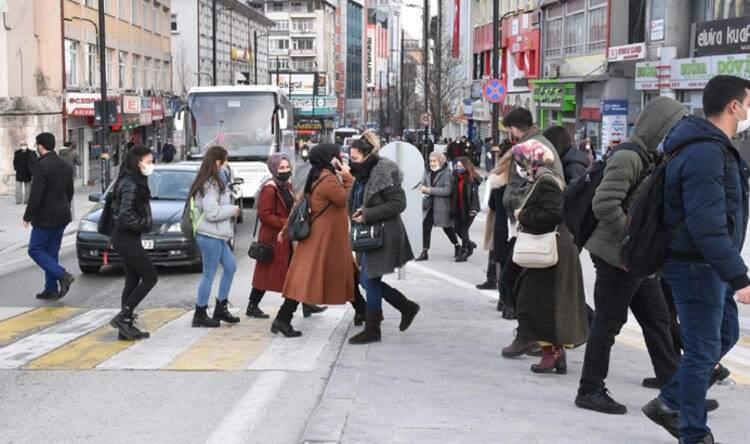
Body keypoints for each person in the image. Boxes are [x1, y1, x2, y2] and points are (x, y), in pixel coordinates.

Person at [643, 75, 750, 444]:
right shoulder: (705, 151)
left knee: (725, 334)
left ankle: (670, 400)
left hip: (709, 263)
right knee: (702, 350)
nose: (749, 110)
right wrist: (740, 277)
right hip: (695, 264)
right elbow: (706, 224)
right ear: (733, 106)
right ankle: (693, 432)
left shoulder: (713, 146)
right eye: (748, 102)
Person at [575, 97, 686, 415]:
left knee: (658, 320)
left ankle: (674, 392)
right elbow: (604, 203)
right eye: (673, 126)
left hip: (634, 257)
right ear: (660, 127)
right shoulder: (629, 156)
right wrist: (632, 240)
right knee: (608, 323)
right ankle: (590, 389)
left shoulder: (651, 157)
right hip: (616, 256)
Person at [510, 140, 588, 374]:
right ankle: (553, 352)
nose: (520, 166)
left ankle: (551, 353)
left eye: (521, 161)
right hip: (554, 248)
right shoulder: (545, 178)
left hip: (552, 250)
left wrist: (523, 215)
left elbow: (552, 213)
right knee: (541, 301)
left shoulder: (546, 181)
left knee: (533, 301)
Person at [499, 108, 565, 356]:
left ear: (516, 127)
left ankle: (533, 337)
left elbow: (535, 194)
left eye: (510, 130)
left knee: (516, 284)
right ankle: (534, 337)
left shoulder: (532, 152)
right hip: (531, 230)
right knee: (525, 286)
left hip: (535, 233)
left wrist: (517, 208)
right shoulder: (537, 147)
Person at [272, 144, 355, 337]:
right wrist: (349, 178)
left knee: (344, 273)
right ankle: (282, 320)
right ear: (330, 158)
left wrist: (285, 230)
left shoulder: (316, 176)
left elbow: (297, 204)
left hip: (322, 239)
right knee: (302, 282)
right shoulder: (328, 180)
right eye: (337, 156)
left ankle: (363, 310)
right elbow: (343, 199)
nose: (340, 159)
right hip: (322, 241)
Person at [347, 132, 420, 344]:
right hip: (367, 236)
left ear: (368, 155)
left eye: (355, 158)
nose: (352, 162)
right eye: (350, 157)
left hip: (384, 235)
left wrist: (367, 214)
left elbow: (398, 204)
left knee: (369, 280)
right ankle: (406, 306)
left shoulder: (384, 174)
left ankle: (373, 329)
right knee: (366, 280)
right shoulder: (361, 175)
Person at [187, 146, 241, 328]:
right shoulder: (210, 184)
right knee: (209, 275)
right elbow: (212, 212)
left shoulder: (215, 180)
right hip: (209, 234)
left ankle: (221, 307)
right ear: (218, 162)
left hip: (217, 234)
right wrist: (233, 210)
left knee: (231, 267)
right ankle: (200, 313)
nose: (227, 164)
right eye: (226, 160)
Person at [108, 145, 158, 340]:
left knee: (132, 279)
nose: (151, 165)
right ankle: (124, 316)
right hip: (125, 237)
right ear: (138, 163)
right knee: (150, 277)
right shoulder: (130, 183)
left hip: (126, 236)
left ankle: (125, 328)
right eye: (149, 162)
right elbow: (125, 215)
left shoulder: (133, 180)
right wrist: (144, 224)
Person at [23, 133, 75, 301]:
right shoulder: (65, 165)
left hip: (46, 218)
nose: (36, 147)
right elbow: (70, 192)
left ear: (41, 146)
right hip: (62, 215)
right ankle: (51, 289)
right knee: (51, 252)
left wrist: (27, 216)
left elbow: (36, 194)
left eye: (37, 144)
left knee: (35, 249)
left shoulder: (41, 166)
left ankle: (63, 275)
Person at [414, 152, 460, 262]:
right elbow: (423, 183)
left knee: (447, 228)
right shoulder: (427, 171)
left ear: (441, 161)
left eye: (434, 161)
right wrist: (419, 187)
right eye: (430, 161)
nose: (432, 163)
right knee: (425, 227)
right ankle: (424, 252)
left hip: (442, 206)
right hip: (429, 205)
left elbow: (447, 191)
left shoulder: (447, 173)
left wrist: (429, 190)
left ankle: (457, 245)